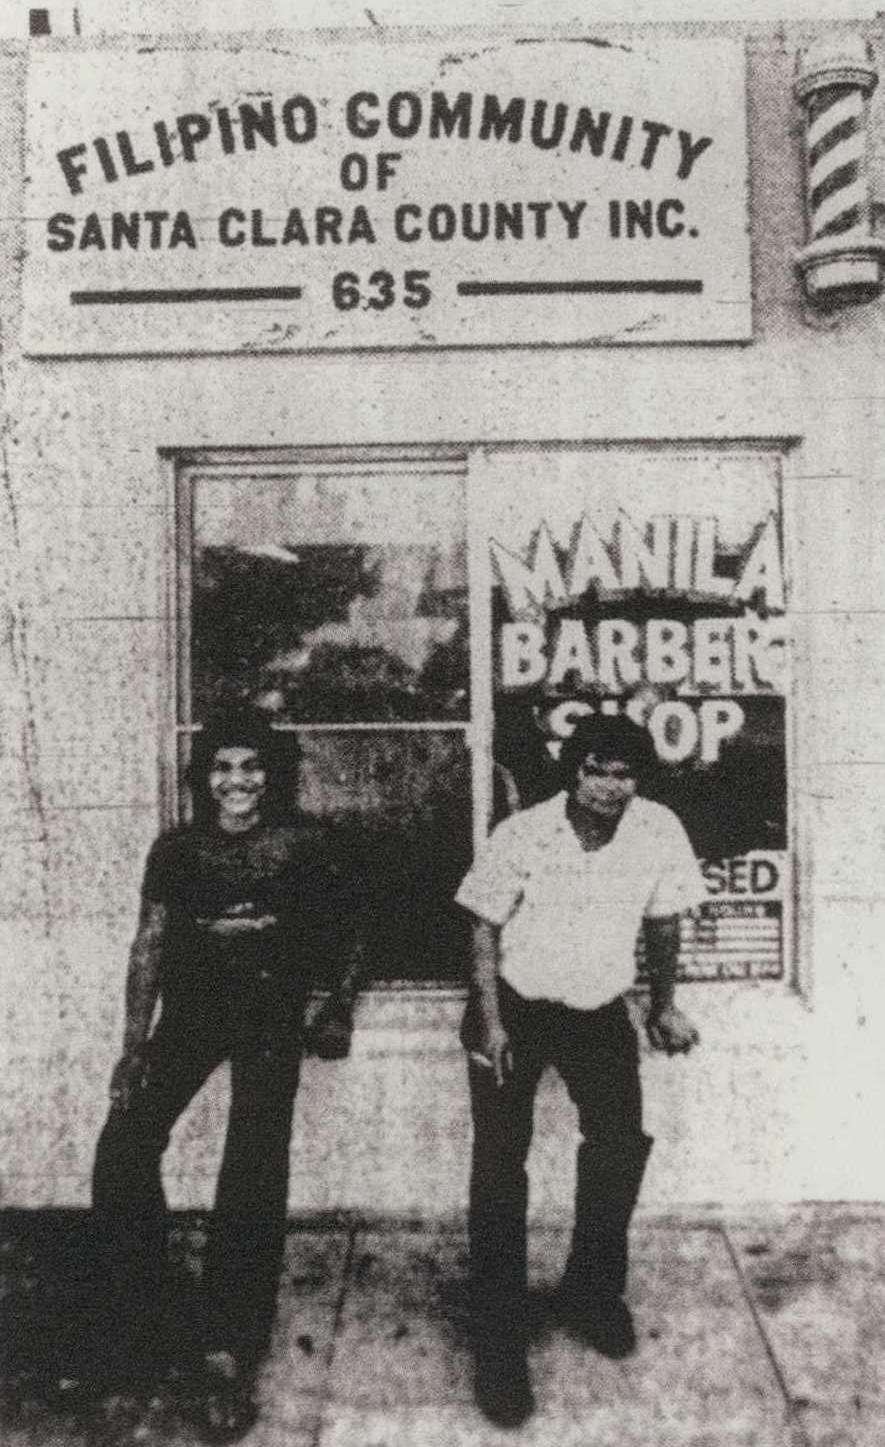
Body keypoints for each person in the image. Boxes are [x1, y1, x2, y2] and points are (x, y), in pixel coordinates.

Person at [89, 710, 361, 1439]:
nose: (237, 781)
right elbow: (149, 943)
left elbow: (349, 927)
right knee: (123, 1146)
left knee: (252, 1165)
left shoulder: (305, 843)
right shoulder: (178, 849)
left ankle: (228, 1346)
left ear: (273, 774)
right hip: (194, 1011)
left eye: (251, 766)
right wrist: (132, 1045)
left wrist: (337, 1005)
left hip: (272, 1014)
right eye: (222, 767)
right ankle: (139, 1312)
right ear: (203, 776)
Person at [456, 712, 703, 1428]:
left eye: (625, 773)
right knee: (501, 1163)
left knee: (619, 1145)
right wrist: (492, 1022)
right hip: (515, 1005)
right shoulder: (525, 832)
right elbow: (481, 925)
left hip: (596, 1009)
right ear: (573, 772)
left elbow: (664, 921)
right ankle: (499, 1337)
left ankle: (592, 1292)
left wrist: (663, 1006)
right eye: (596, 770)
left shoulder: (658, 829)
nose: (609, 786)